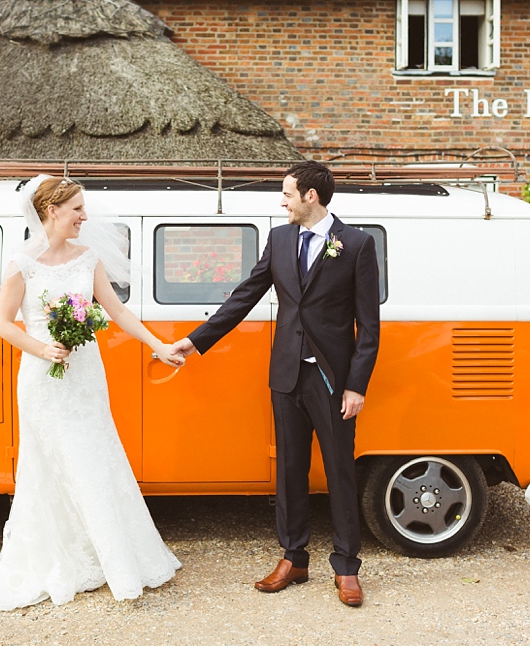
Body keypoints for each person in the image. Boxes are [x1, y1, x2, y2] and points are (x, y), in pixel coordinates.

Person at [0, 175, 183, 611]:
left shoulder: (88, 259)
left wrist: (159, 346)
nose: (86, 217)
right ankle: (59, 556)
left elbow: (117, 309)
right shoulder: (22, 263)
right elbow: (4, 324)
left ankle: (114, 556)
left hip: (86, 375)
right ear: (52, 211)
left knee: (95, 455)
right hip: (43, 378)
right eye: (78, 210)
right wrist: (43, 347)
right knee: (51, 464)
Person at [172, 161, 380, 607]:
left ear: (310, 196)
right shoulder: (280, 238)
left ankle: (346, 567)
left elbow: (370, 325)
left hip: (333, 378)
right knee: (289, 469)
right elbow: (246, 294)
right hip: (286, 373)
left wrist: (356, 385)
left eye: (287, 194)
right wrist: (194, 341)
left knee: (340, 471)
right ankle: (294, 557)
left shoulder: (357, 245)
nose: (281, 201)